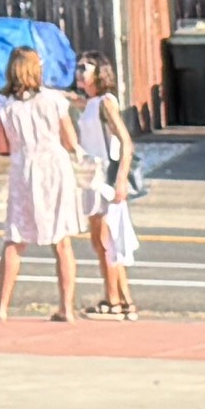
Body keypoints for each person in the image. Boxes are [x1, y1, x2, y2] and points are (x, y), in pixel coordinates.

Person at [0, 46, 80, 321]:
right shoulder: (53, 100)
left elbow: (1, 146)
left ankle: (2, 306)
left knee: (15, 237)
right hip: (54, 167)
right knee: (61, 240)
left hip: (24, 167)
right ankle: (67, 308)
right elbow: (70, 140)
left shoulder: (3, 105)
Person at [66, 62, 145, 316]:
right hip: (92, 177)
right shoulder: (91, 102)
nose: (78, 72)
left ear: (98, 74)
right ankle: (123, 300)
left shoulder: (105, 103)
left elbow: (126, 142)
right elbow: (74, 101)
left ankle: (114, 301)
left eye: (84, 68)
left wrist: (121, 179)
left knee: (105, 241)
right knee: (103, 242)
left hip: (104, 178)